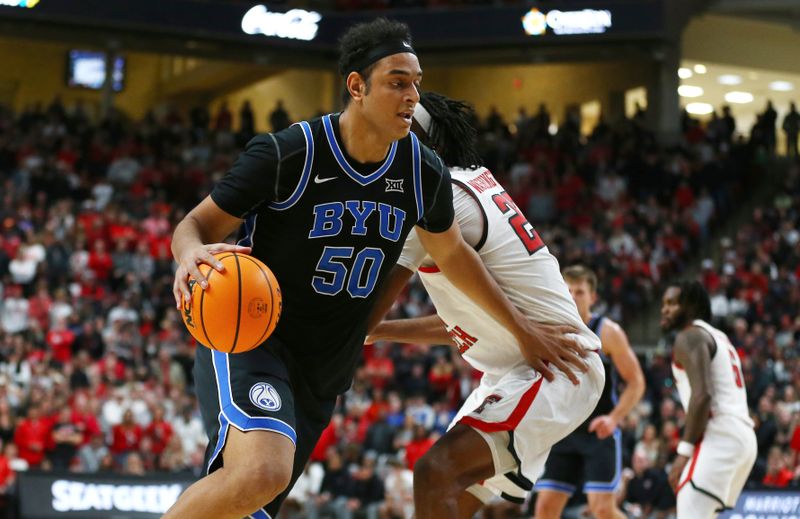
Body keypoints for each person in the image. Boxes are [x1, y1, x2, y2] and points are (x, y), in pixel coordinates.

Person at [166, 19, 586, 519]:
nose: (412, 95)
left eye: (416, 83)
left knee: (250, 505)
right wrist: (189, 252)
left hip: (327, 366)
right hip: (257, 336)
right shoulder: (289, 153)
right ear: (357, 86)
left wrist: (522, 329)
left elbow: (455, 257)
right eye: (397, 81)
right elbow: (195, 224)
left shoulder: (421, 171)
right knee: (262, 473)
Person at [366, 91, 605, 519]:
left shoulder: (442, 201)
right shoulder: (471, 181)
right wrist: (381, 331)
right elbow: (463, 323)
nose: (392, 143)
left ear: (430, 145)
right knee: (453, 501)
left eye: (404, 133)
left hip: (553, 364)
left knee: (434, 472)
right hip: (521, 367)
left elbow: (363, 313)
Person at [534, 265, 645, 519]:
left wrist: (614, 418)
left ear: (593, 297)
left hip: (599, 431)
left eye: (580, 292)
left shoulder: (608, 332)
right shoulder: (549, 328)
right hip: (563, 430)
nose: (572, 296)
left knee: (602, 509)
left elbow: (636, 382)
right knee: (544, 509)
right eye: (568, 290)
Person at [660, 281, 757, 518]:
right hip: (742, 436)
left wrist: (683, 453)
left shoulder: (689, 336)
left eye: (672, 303)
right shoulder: (719, 336)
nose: (664, 310)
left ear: (690, 306)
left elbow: (702, 396)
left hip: (719, 435)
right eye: (663, 304)